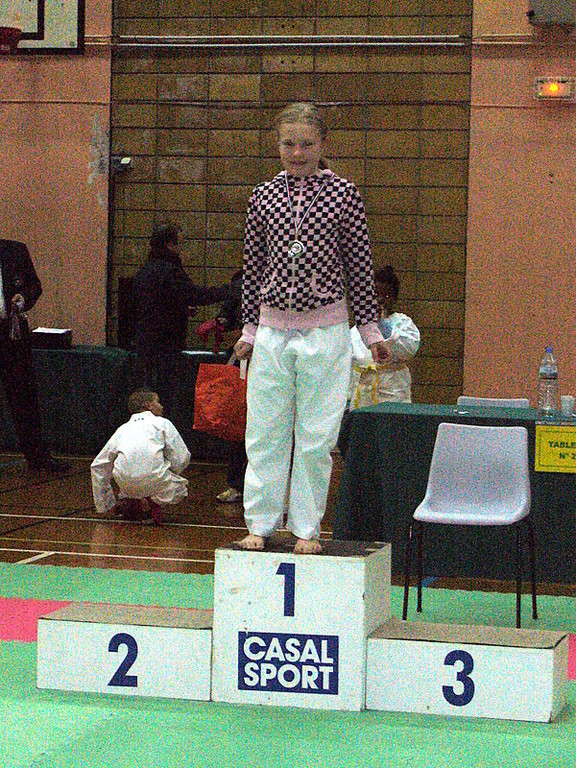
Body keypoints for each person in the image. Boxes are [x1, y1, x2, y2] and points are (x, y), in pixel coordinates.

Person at [233, 102, 389, 554]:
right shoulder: (261, 196)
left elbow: (360, 266)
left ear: (323, 145)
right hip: (272, 332)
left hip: (327, 331)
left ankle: (307, 528)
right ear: (277, 146)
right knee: (264, 433)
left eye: (306, 144)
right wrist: (248, 330)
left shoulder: (345, 194)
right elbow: (252, 266)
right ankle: (259, 524)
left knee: (317, 438)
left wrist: (370, 332)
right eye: (288, 143)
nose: (297, 152)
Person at [132, 224, 231, 416]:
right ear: (171, 245)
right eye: (181, 243)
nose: (182, 248)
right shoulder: (170, 270)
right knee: (166, 396)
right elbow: (195, 295)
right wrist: (229, 290)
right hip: (166, 344)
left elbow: (155, 302)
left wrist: (181, 308)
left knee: (147, 393)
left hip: (144, 340)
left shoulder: (145, 269)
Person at [0, 238, 67, 472]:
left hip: (11, 333)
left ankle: (37, 457)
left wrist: (24, 298)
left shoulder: (14, 250)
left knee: (23, 397)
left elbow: (34, 286)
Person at [91, 389, 190, 525]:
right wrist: (171, 471)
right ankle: (152, 503)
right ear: (148, 405)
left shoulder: (122, 429)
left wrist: (106, 504)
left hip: (126, 485)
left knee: (135, 482)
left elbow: (98, 465)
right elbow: (181, 457)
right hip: (155, 480)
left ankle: (134, 503)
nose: (161, 406)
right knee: (180, 489)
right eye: (158, 402)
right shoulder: (162, 423)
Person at [198, 269, 248, 505]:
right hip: (244, 359)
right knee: (239, 423)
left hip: (270, 360)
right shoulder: (242, 280)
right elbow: (228, 313)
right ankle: (237, 484)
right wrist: (219, 323)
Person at [349, 265, 420, 407]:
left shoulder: (403, 323)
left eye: (386, 296)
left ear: (395, 298)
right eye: (376, 295)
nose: (381, 300)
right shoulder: (358, 329)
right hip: (363, 395)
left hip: (393, 393)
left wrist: (384, 327)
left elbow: (410, 348)